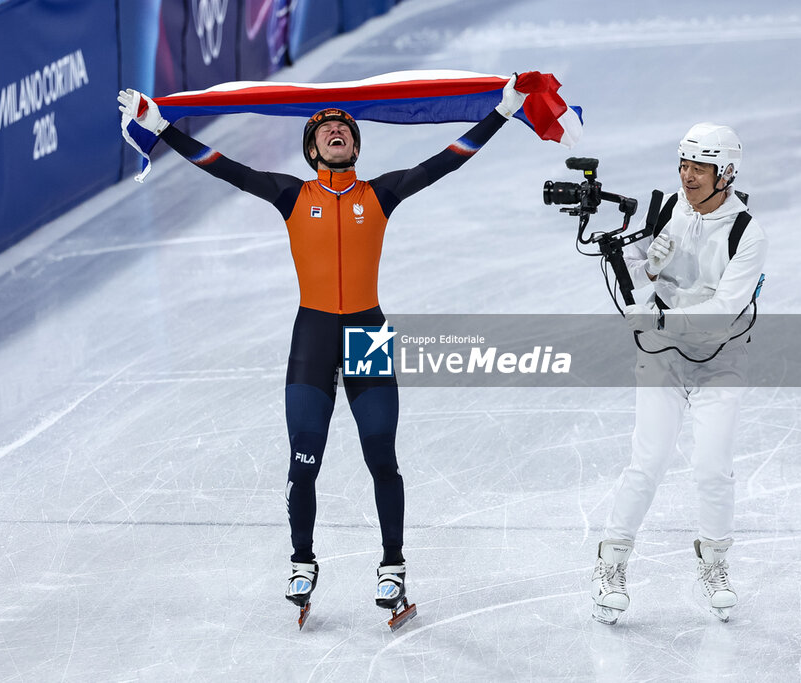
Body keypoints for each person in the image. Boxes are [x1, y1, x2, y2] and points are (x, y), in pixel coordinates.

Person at [117, 77, 527, 627]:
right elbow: (221, 165)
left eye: (344, 129)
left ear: (355, 145)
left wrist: (502, 113)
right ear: (312, 150)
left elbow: (447, 160)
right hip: (312, 335)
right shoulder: (292, 195)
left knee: (382, 458)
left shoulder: (379, 194)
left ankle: (393, 566)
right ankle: (302, 562)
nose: (336, 132)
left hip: (366, 332)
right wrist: (163, 127)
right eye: (325, 129)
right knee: (304, 460)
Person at [591, 123, 767, 624]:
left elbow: (726, 308)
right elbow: (631, 272)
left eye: (700, 168)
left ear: (725, 174)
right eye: (684, 165)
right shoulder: (668, 208)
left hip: (720, 358)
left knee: (713, 467)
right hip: (662, 356)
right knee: (647, 462)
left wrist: (659, 320)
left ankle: (714, 564)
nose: (688, 176)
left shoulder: (747, 234)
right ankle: (610, 564)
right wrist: (646, 269)